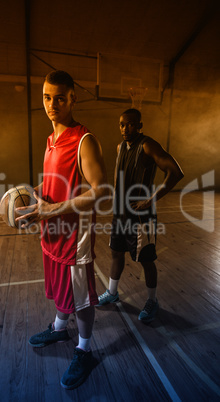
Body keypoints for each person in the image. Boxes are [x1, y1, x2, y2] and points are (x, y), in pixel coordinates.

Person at [16, 70, 108, 390]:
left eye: (59, 98)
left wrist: (52, 209)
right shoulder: (51, 139)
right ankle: (59, 328)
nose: (51, 104)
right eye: (46, 97)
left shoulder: (85, 140)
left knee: (80, 298)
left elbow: (100, 191)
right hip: (53, 231)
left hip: (75, 237)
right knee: (59, 285)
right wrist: (36, 196)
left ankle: (84, 349)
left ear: (72, 99)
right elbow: (55, 182)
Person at [97, 108, 184, 323]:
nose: (125, 128)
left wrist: (150, 200)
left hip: (140, 217)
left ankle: (152, 300)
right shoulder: (120, 147)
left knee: (146, 260)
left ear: (139, 125)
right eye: (122, 124)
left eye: (130, 124)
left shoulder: (147, 145)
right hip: (120, 215)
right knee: (116, 254)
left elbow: (176, 172)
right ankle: (112, 292)